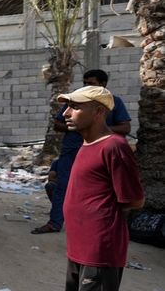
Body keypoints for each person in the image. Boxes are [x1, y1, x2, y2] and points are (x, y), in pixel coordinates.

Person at [55, 85, 144, 291]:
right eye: (67, 107)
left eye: (76, 107)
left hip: (100, 246)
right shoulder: (85, 144)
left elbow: (133, 199)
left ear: (99, 111)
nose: (67, 113)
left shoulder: (114, 147)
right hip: (79, 245)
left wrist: (100, 218)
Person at [31, 69, 132, 234]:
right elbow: (58, 123)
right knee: (63, 186)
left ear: (103, 84)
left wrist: (97, 130)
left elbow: (125, 127)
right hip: (73, 150)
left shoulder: (113, 103)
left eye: (91, 83)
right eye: (85, 82)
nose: (86, 86)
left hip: (99, 153)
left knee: (98, 190)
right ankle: (55, 222)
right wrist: (76, 129)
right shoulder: (75, 100)